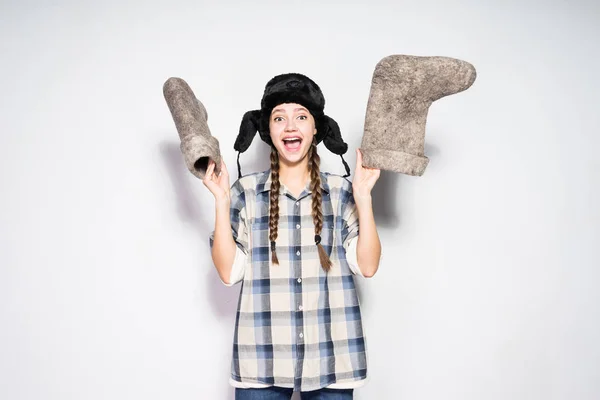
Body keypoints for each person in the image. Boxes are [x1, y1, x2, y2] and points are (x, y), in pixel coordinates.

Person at [202, 73, 381, 399]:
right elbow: (229, 273)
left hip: (333, 358)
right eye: (279, 118)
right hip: (261, 358)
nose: (290, 126)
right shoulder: (246, 193)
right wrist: (221, 199)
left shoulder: (341, 192)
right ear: (267, 131)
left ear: (316, 128)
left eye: (301, 116)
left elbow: (367, 266)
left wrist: (364, 197)